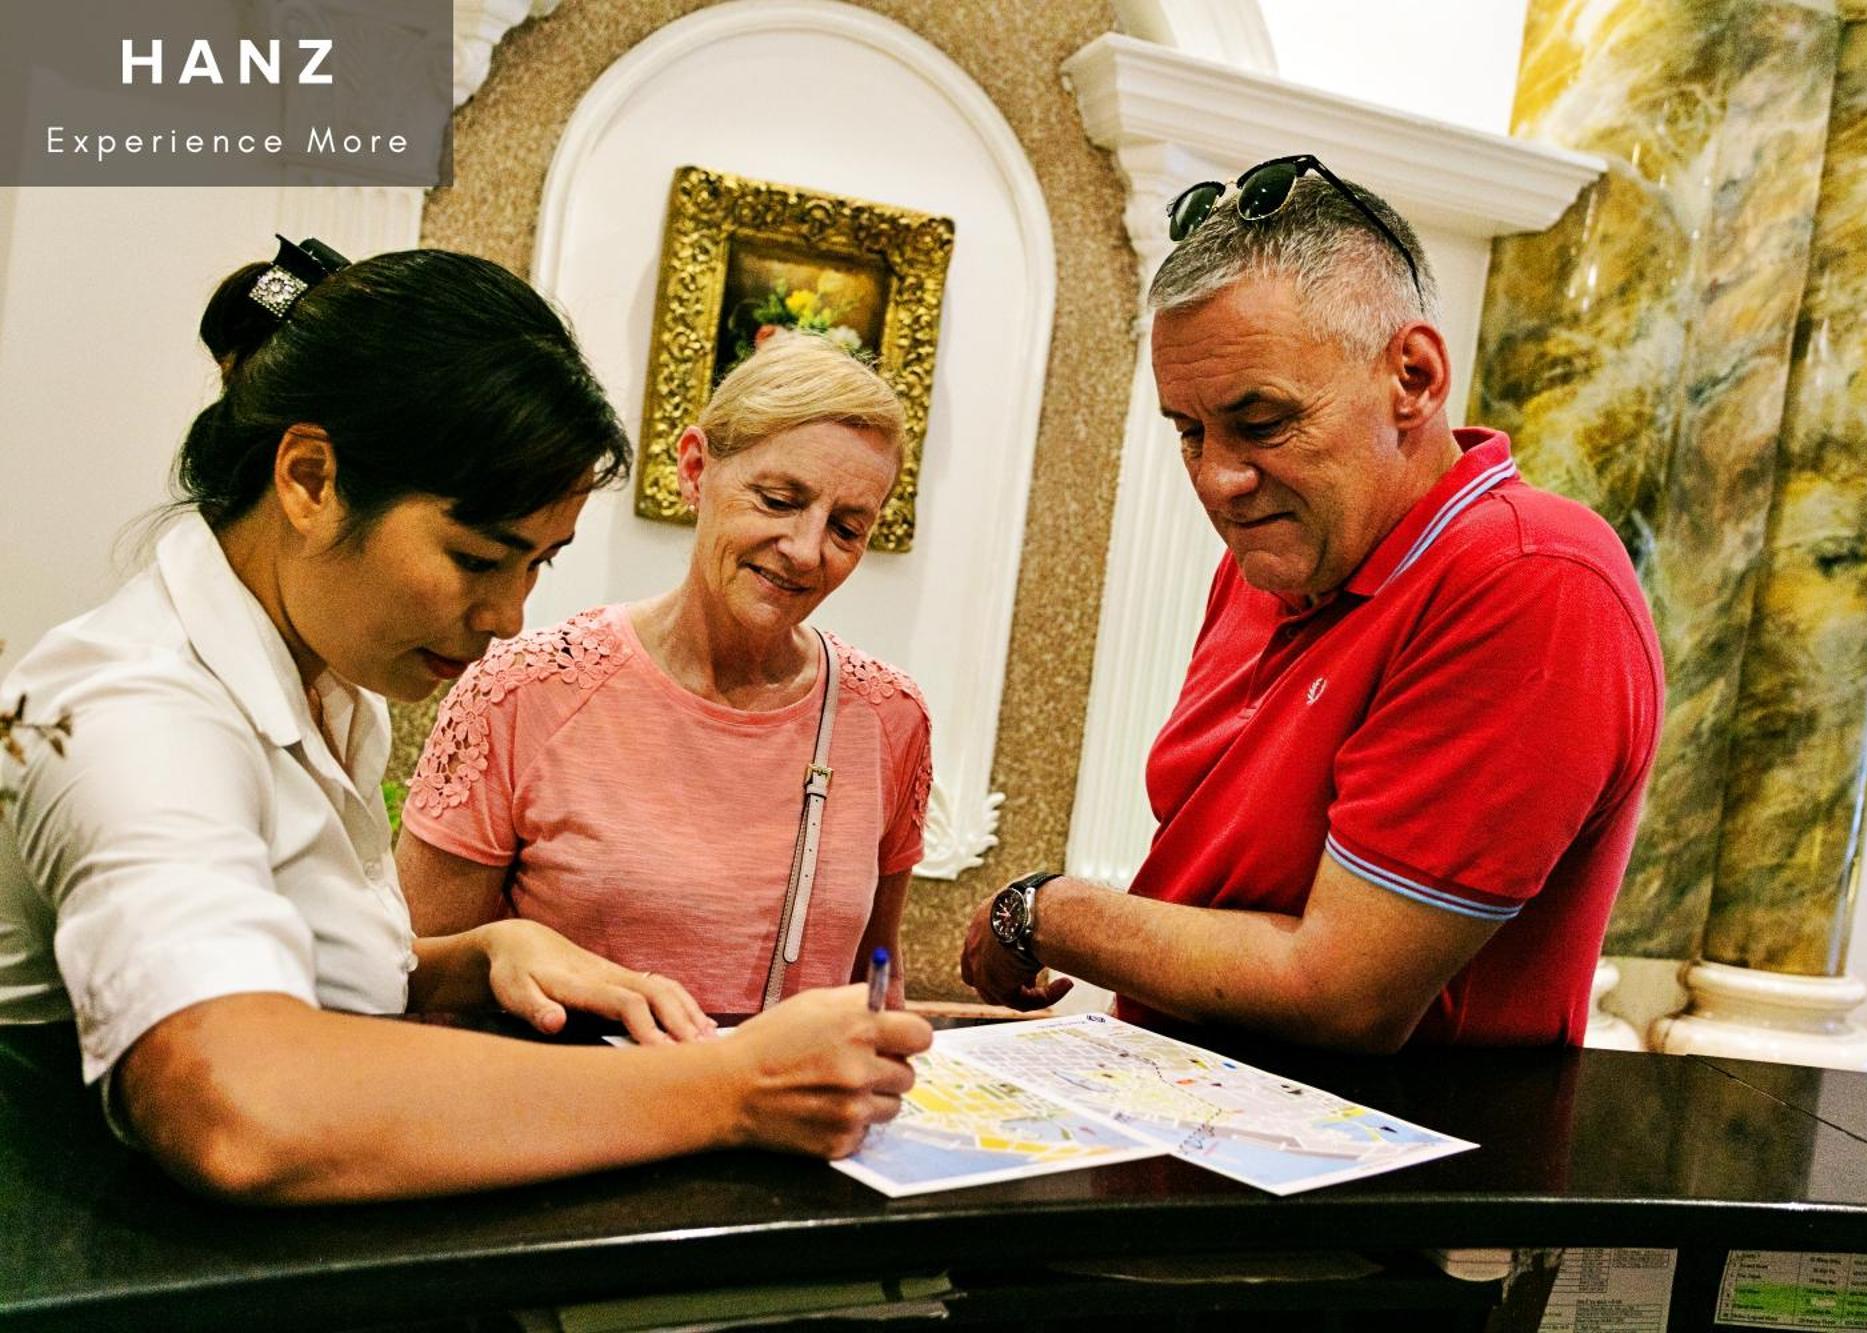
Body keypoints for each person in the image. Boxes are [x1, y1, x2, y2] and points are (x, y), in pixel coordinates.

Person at [0, 239, 930, 1202]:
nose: (506, 618)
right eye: (479, 559)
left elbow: (300, 981)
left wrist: (470, 962)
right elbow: (237, 1101)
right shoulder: (133, 712)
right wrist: (730, 1085)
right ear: (311, 479)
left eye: (539, 565)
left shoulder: (323, 684)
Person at [960, 159, 1664, 1051]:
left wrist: (1047, 912)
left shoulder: (1534, 577)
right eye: (1190, 430)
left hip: (1369, 1179)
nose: (1219, 478)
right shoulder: (1279, 558)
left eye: (1262, 422)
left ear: (1413, 376)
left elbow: (1342, 992)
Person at [396, 332, 930, 1014]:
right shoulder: (523, 691)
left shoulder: (889, 718)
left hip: (792, 1121)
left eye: (847, 528)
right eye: (778, 500)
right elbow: (412, 986)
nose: (805, 550)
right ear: (695, 467)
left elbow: (875, 987)